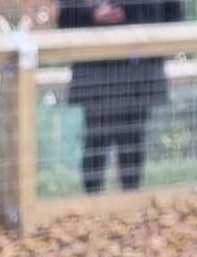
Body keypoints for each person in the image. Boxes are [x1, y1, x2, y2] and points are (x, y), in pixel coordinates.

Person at [58, 0, 183, 194]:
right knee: (96, 142)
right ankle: (92, 206)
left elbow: (174, 16)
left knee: (133, 142)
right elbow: (64, 16)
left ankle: (130, 204)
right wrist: (93, 14)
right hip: (96, 75)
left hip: (140, 73)